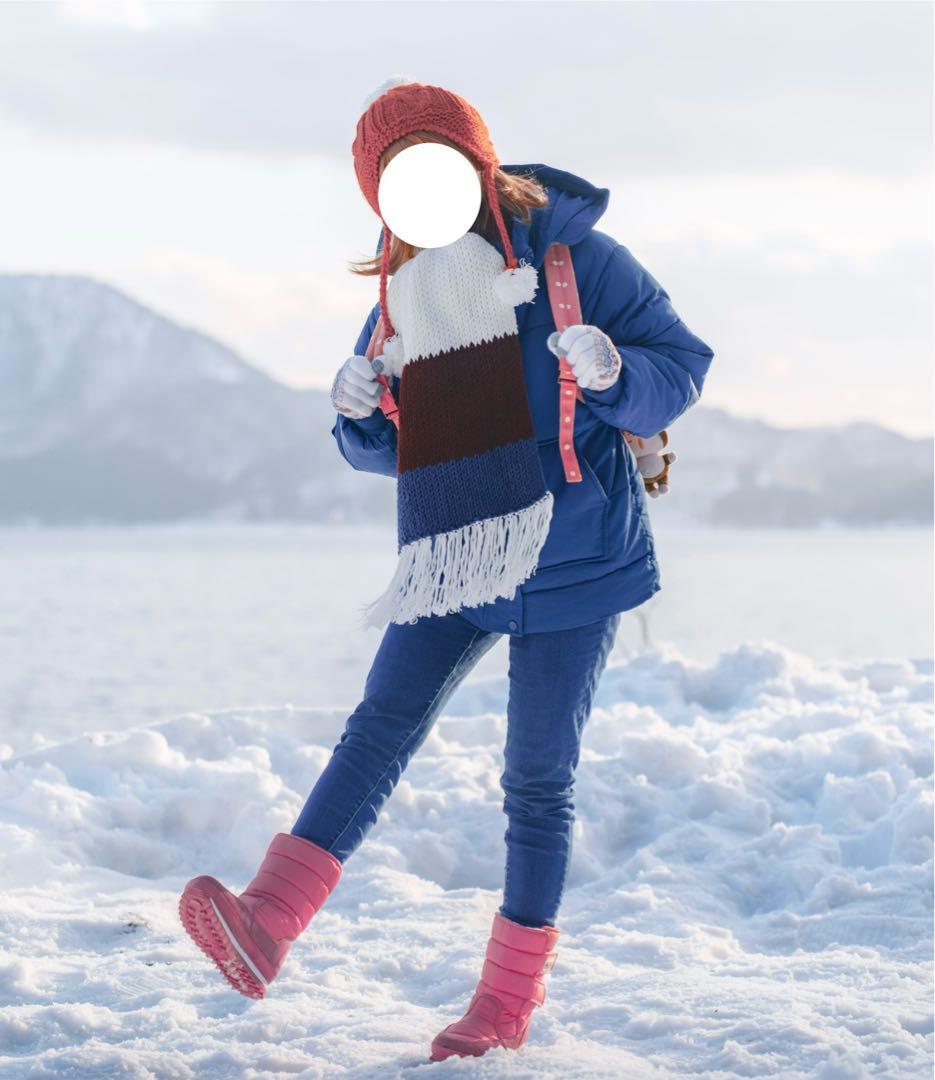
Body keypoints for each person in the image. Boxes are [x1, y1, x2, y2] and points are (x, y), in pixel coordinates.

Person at [179, 78, 714, 1062]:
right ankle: (266, 922)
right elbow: (390, 448)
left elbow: (678, 363)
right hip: (454, 552)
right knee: (378, 727)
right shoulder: (404, 290)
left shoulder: (577, 260)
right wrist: (356, 412)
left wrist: (614, 373)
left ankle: (504, 1005)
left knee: (535, 778)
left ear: (475, 163)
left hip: (573, 555)